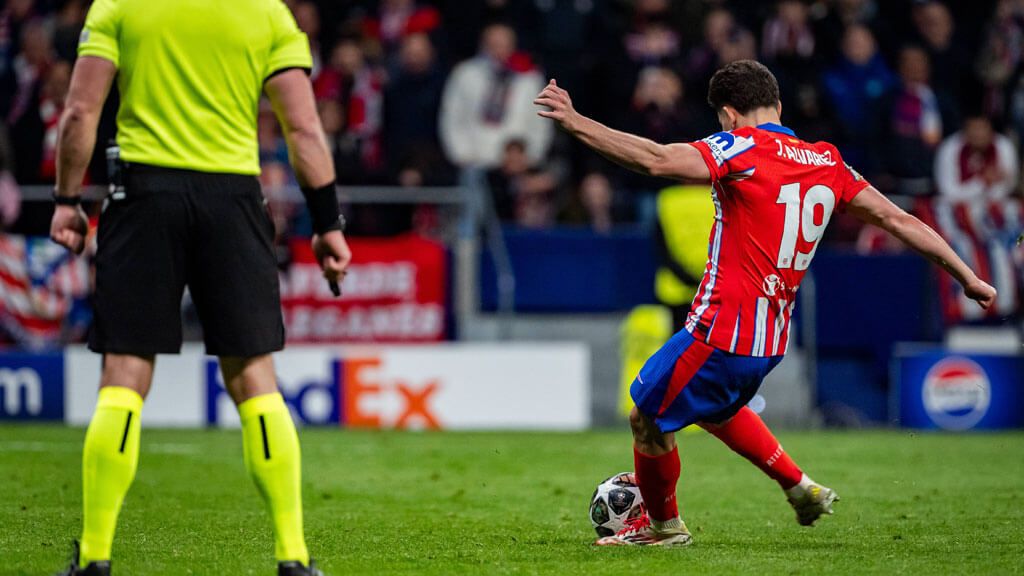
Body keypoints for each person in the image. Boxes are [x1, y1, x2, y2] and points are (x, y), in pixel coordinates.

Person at [534, 59, 997, 546]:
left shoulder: (739, 146)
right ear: (777, 104)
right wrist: (967, 276)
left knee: (646, 416)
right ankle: (799, 486)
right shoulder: (827, 160)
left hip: (722, 330)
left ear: (729, 116)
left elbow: (656, 159)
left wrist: (575, 121)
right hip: (769, 340)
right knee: (714, 408)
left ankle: (662, 527)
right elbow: (898, 220)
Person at [49, 1, 352, 574]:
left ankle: (94, 558)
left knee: (124, 375)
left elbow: (78, 113)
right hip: (232, 200)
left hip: (144, 196)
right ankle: (292, 556)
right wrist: (328, 225)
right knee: (254, 376)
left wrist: (67, 201)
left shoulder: (119, 5)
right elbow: (304, 128)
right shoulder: (267, 14)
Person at [934, 115, 1019, 200]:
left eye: (983, 129)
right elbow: (948, 191)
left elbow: (1008, 187)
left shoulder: (1004, 146)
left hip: (994, 204)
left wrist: (993, 184)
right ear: (965, 132)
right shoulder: (950, 147)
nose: (979, 134)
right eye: (975, 130)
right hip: (957, 205)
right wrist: (982, 182)